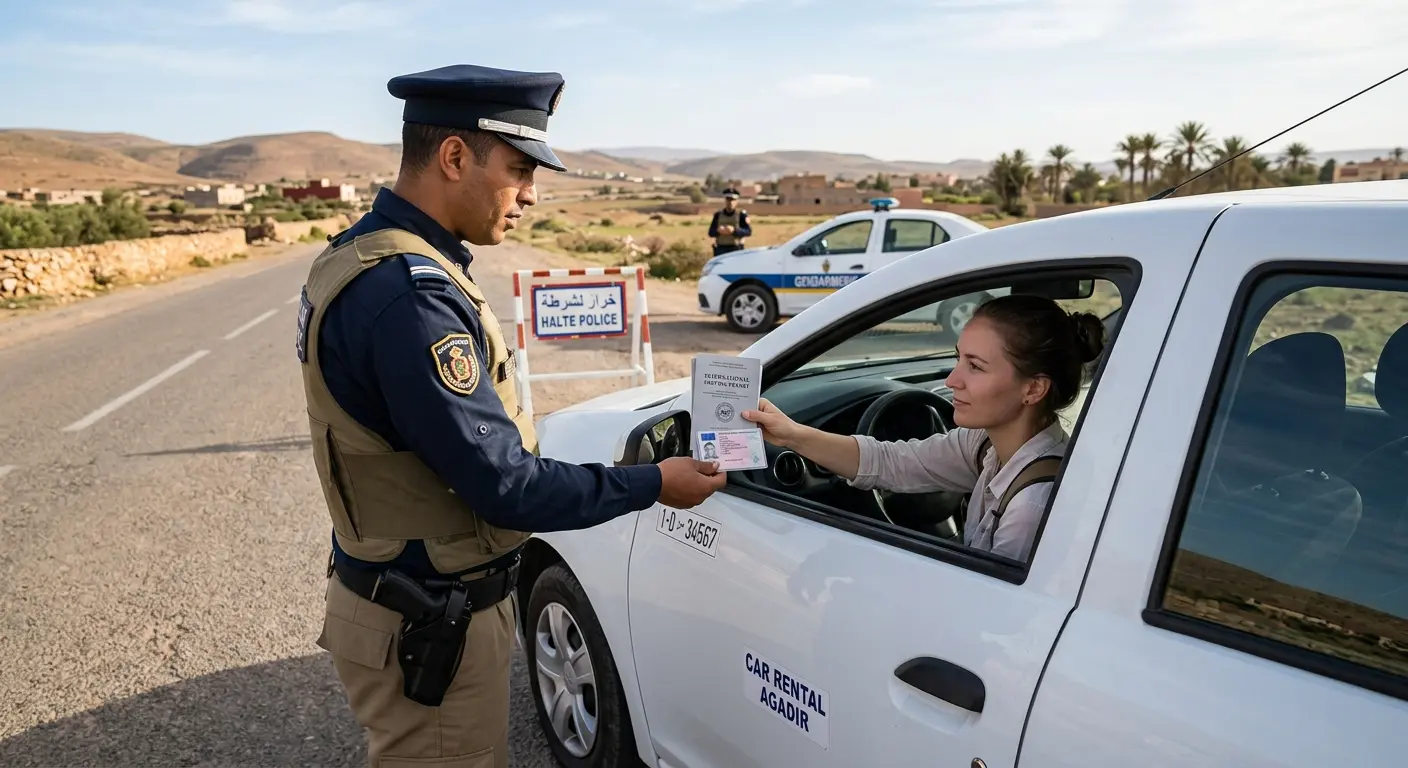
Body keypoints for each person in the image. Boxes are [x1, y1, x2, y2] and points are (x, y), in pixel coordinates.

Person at [295, 63, 726, 767]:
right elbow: (505, 484)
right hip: (429, 618)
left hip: (405, 599)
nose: (530, 195)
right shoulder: (409, 296)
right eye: (520, 168)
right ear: (455, 156)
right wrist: (655, 483)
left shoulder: (366, 255)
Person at [742, 294, 1105, 562]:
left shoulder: (1030, 505)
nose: (952, 380)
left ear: (1033, 389)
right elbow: (892, 463)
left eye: (975, 367)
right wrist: (791, 433)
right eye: (957, 359)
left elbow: (996, 612)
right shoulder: (985, 446)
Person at [707, 187, 751, 256]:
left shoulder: (741, 215)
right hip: (721, 249)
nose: (730, 202)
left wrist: (734, 231)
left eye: (733, 200)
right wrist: (718, 231)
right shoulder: (718, 215)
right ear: (725, 200)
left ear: (736, 201)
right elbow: (710, 232)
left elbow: (748, 231)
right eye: (728, 199)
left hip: (736, 248)